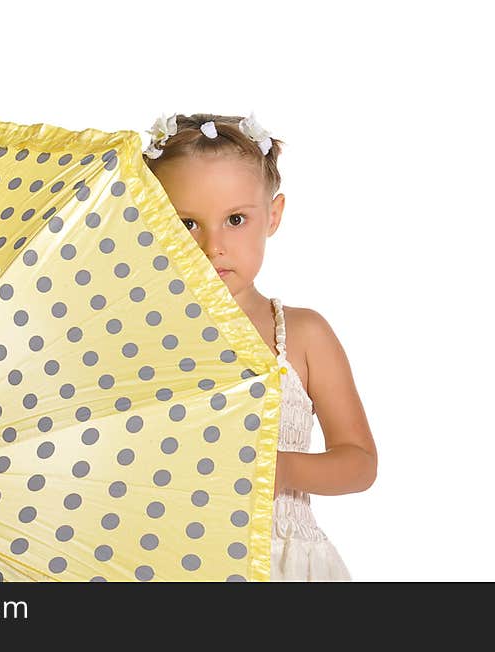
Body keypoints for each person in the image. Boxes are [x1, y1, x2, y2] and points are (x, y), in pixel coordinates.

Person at [142, 112, 377, 581]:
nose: (212, 246)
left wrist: (276, 467)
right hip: (174, 557)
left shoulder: (303, 335)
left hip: (278, 560)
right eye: (185, 223)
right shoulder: (144, 340)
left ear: (272, 216)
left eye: (234, 220)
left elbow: (359, 462)